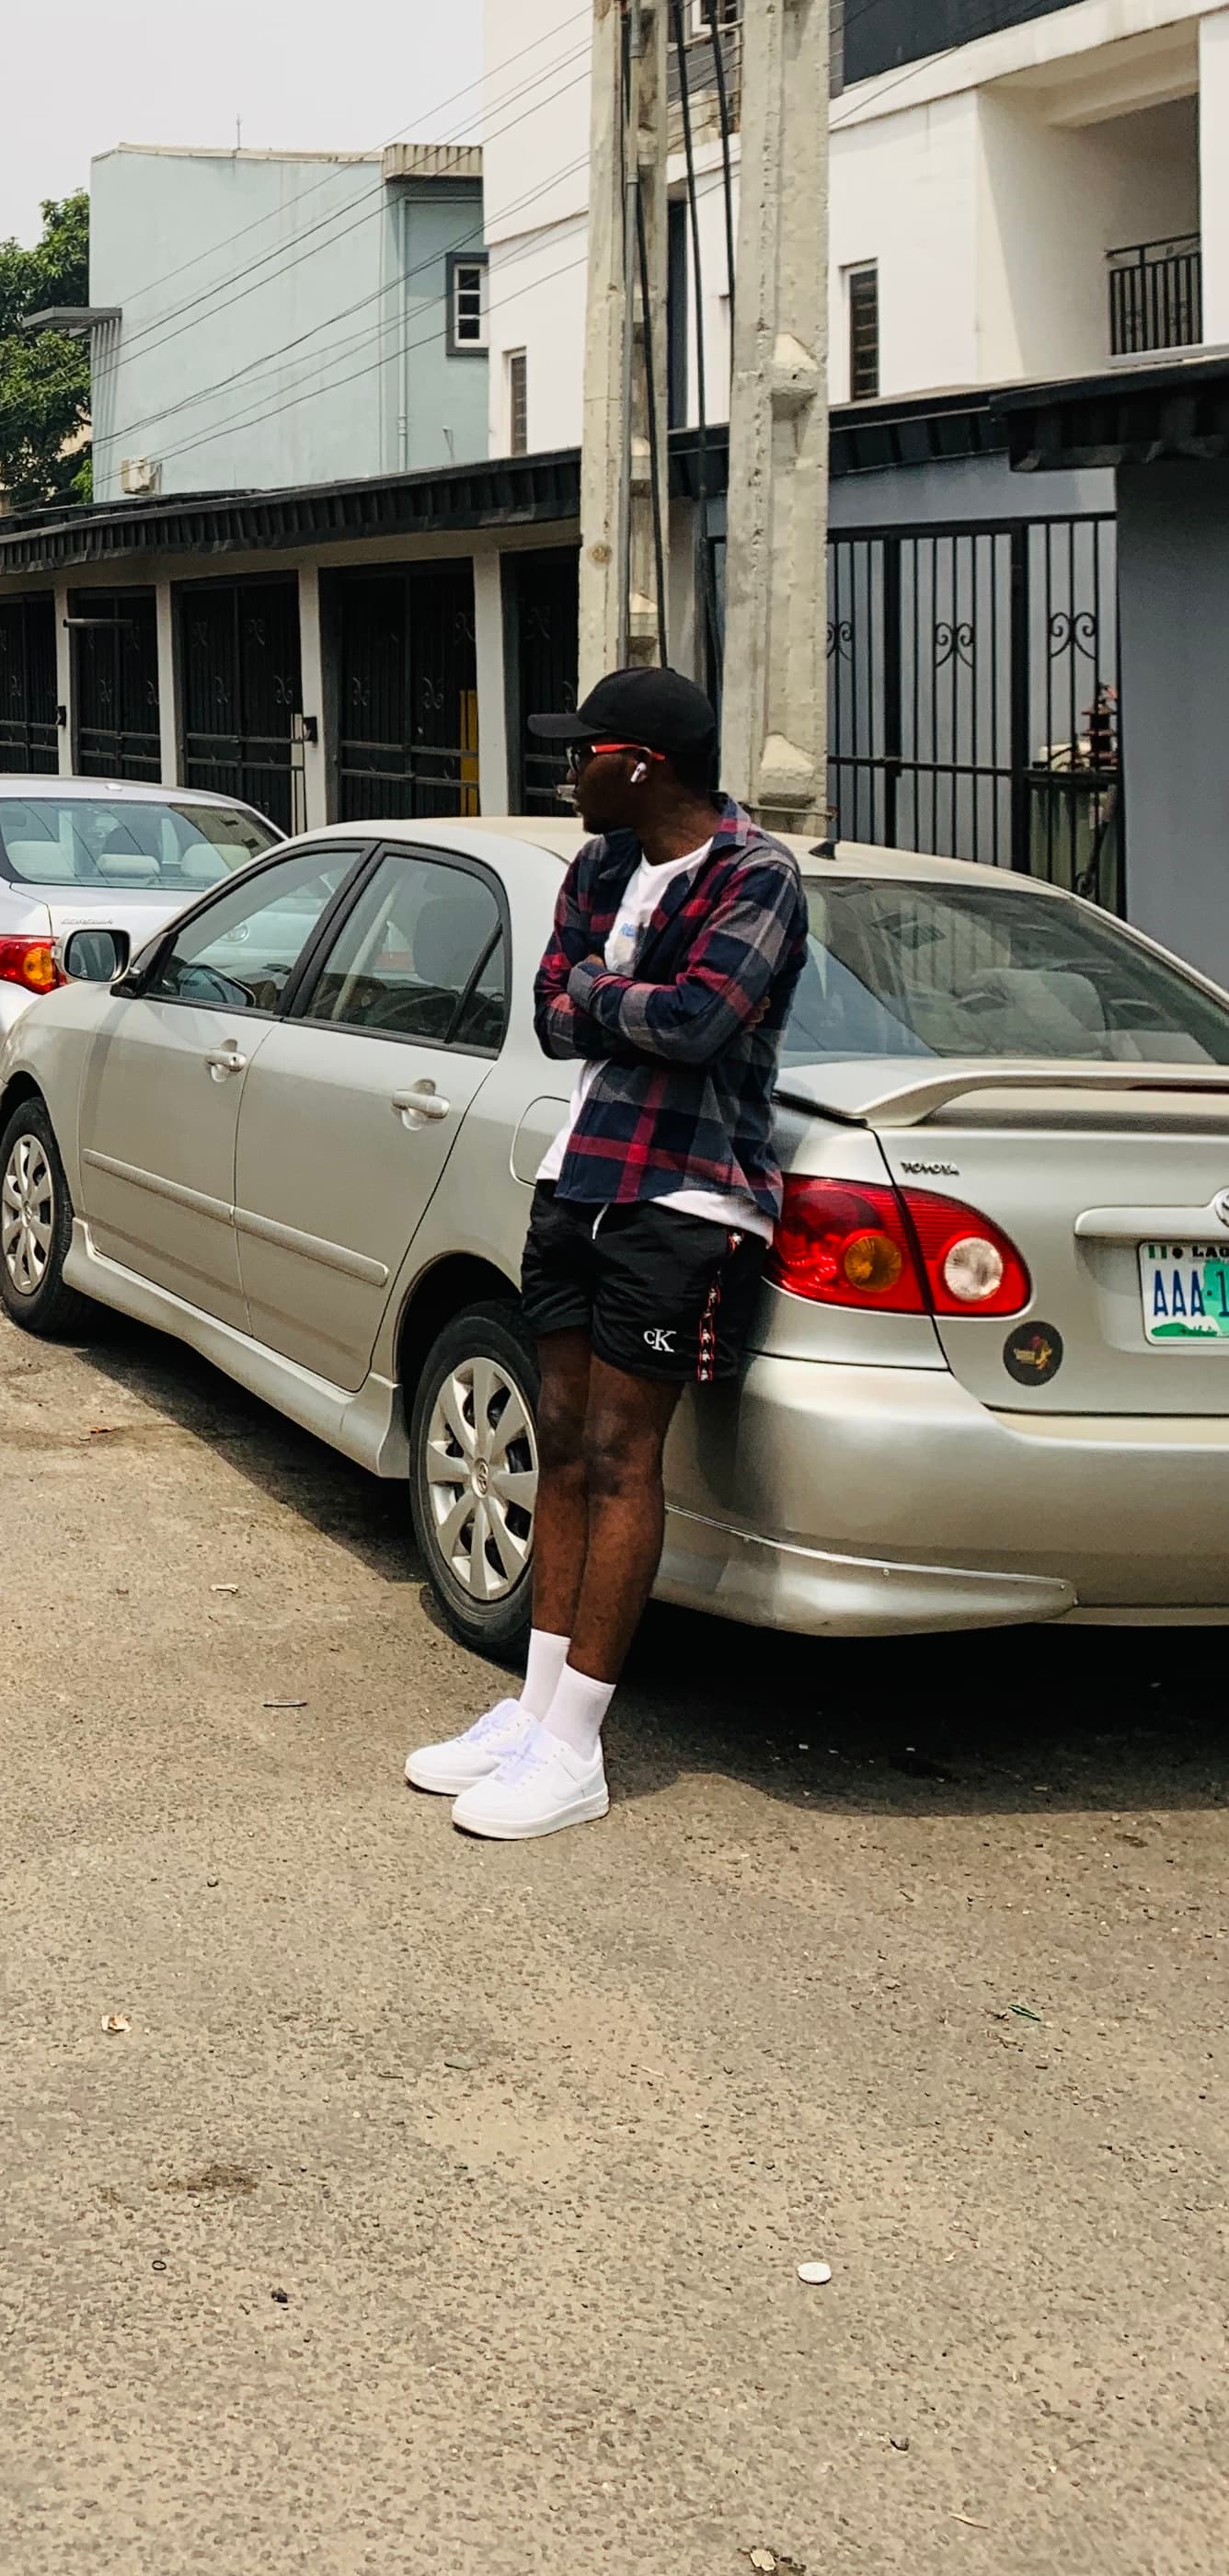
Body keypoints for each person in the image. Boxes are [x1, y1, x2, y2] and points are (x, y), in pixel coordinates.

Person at [406, 665, 808, 1842]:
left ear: (642, 764)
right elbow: (553, 1011)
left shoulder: (756, 875)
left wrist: (603, 992)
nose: (567, 769)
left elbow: (703, 1024)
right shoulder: (598, 867)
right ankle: (533, 1712)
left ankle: (576, 1744)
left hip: (684, 1198)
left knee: (626, 1458)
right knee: (565, 1447)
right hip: (578, 1178)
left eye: (585, 752)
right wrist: (618, 992)